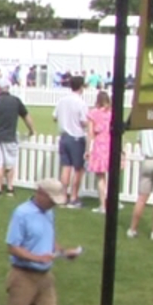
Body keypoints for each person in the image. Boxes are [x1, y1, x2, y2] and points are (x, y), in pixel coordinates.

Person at [0, 78, 32, 195]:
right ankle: (10, 188)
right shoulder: (16, 101)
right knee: (10, 163)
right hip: (10, 136)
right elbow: (26, 116)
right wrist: (32, 130)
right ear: (8, 88)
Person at [53, 75, 89, 207]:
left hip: (64, 136)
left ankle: (63, 196)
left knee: (65, 168)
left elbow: (55, 117)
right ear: (81, 87)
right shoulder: (81, 102)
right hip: (76, 137)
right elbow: (84, 122)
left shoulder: (62, 101)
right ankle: (74, 197)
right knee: (78, 169)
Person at [83, 90, 113, 212]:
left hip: (99, 144)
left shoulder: (93, 114)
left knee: (100, 177)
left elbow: (90, 133)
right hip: (110, 143)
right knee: (109, 175)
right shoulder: (111, 113)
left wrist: (88, 149)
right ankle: (109, 202)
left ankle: (103, 205)